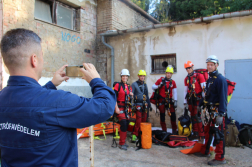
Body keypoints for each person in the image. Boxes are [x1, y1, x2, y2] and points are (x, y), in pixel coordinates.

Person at [0, 28, 116, 167]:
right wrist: (96, 80)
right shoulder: (59, 102)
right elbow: (105, 106)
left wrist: (51, 85)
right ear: (34, 60)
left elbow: (28, 104)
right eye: (42, 56)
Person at [194, 55, 227, 166]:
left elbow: (223, 98)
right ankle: (205, 151)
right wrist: (200, 105)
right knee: (207, 131)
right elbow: (207, 95)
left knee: (218, 134)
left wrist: (221, 114)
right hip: (208, 111)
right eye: (208, 65)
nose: (209, 66)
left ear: (216, 65)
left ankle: (220, 158)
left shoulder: (220, 79)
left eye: (211, 65)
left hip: (217, 111)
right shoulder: (210, 79)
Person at [184, 61, 206, 143]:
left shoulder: (199, 76)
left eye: (189, 68)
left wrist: (204, 100)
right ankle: (195, 133)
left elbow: (204, 88)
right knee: (193, 116)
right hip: (190, 100)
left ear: (192, 67)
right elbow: (185, 91)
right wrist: (184, 102)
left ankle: (202, 135)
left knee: (198, 117)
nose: (188, 69)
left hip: (198, 100)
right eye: (187, 68)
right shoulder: (186, 79)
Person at [152, 66, 177, 134]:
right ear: (165, 73)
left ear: (171, 74)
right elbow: (153, 87)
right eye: (167, 73)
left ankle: (174, 131)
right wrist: (159, 85)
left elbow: (175, 92)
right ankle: (164, 131)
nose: (168, 74)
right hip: (162, 101)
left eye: (170, 73)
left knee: (173, 116)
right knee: (162, 116)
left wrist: (175, 101)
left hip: (170, 101)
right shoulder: (160, 80)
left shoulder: (173, 82)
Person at [114, 69, 133, 151]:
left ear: (128, 77)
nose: (124, 77)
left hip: (127, 109)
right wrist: (116, 108)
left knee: (126, 124)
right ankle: (121, 143)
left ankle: (123, 141)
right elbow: (113, 97)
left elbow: (129, 98)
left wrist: (131, 94)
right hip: (120, 108)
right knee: (124, 124)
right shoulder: (117, 85)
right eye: (123, 76)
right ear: (121, 77)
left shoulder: (129, 86)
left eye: (126, 76)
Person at [131, 70, 151, 142]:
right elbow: (131, 95)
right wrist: (131, 105)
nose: (142, 77)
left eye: (143, 76)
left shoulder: (145, 85)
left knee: (144, 120)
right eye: (141, 76)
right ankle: (134, 134)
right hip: (138, 105)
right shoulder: (134, 84)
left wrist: (149, 105)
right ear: (138, 76)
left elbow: (147, 95)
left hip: (144, 105)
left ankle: (141, 134)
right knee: (138, 121)